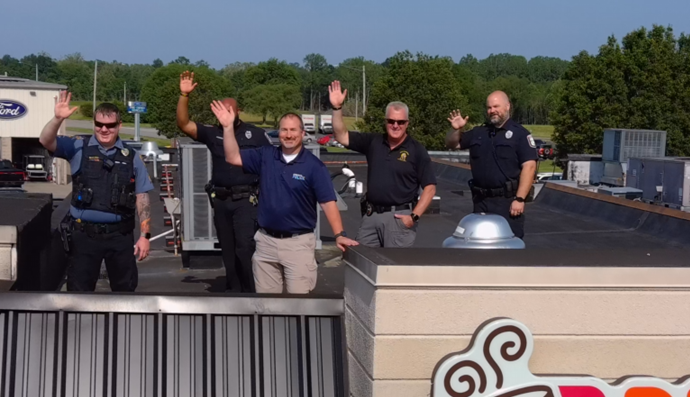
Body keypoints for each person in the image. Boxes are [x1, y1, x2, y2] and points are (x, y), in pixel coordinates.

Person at [211, 101, 358, 294]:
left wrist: (339, 235)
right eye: (284, 130)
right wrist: (228, 128)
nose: (288, 135)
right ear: (278, 133)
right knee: (269, 309)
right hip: (266, 243)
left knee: (299, 306)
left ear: (303, 133)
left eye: (293, 130)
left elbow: (327, 202)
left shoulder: (314, 167)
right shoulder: (265, 156)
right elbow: (232, 157)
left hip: (298, 244)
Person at [38, 91, 153, 291]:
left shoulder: (131, 157)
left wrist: (145, 236)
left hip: (120, 237)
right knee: (79, 292)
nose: (104, 129)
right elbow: (45, 141)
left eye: (110, 125)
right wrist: (57, 119)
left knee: (125, 291)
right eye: (99, 124)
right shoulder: (77, 147)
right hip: (84, 236)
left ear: (119, 125)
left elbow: (142, 196)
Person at [176, 71, 269, 293]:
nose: (226, 115)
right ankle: (233, 290)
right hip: (221, 200)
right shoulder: (212, 133)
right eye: (222, 111)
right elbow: (183, 123)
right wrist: (184, 95)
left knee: (244, 247)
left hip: (246, 200)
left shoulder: (255, 135)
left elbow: (271, 163)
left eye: (230, 110)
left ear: (238, 111)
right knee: (227, 249)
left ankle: (251, 290)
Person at [328, 81, 436, 247]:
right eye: (391, 121)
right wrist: (337, 108)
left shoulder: (416, 150)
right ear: (385, 122)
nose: (395, 125)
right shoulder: (374, 142)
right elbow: (341, 136)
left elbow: (430, 187)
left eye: (400, 122)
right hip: (371, 217)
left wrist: (413, 217)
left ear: (407, 123)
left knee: (394, 270)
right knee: (363, 263)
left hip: (399, 219)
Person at [445, 91, 538, 238]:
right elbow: (452, 143)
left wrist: (520, 199)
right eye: (489, 107)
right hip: (480, 201)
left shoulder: (520, 134)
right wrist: (456, 129)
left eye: (496, 106)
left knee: (508, 247)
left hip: (507, 203)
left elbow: (530, 167)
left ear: (507, 106)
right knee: (480, 244)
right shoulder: (479, 132)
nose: (492, 110)